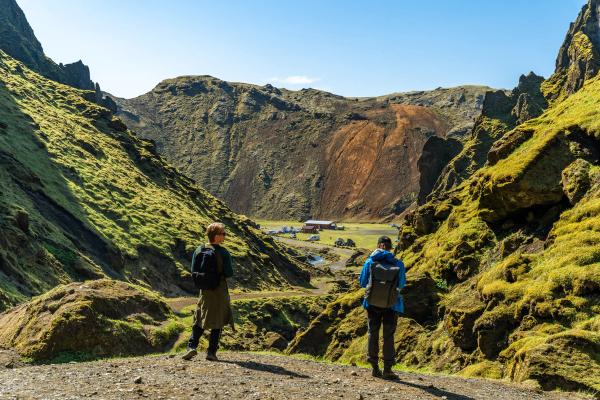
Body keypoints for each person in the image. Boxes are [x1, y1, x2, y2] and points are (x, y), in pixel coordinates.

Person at [182, 222, 234, 361]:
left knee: (199, 319)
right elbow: (229, 273)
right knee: (218, 321)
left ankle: (191, 347)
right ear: (216, 236)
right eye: (223, 233)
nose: (225, 236)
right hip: (219, 290)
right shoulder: (223, 252)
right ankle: (211, 353)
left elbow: (193, 270)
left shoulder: (199, 250)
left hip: (204, 291)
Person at [359, 236, 406, 379]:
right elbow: (401, 284)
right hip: (392, 305)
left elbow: (362, 282)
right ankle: (388, 369)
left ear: (378, 246)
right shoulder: (398, 263)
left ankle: (374, 367)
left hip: (372, 304)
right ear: (390, 247)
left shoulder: (369, 262)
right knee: (388, 336)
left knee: (372, 333)